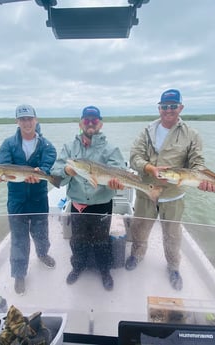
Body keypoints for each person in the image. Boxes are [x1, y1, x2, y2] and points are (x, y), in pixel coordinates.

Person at [125, 89, 215, 290]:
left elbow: (197, 162)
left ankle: (174, 267)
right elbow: (135, 157)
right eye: (164, 106)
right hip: (146, 191)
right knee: (139, 228)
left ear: (180, 108)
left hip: (173, 196)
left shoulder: (191, 135)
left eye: (173, 106)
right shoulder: (147, 131)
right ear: (159, 108)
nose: (168, 110)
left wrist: (204, 179)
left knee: (173, 235)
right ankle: (136, 255)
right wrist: (150, 168)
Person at [51, 105, 125, 291]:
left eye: (94, 120)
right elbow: (55, 173)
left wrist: (115, 183)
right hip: (77, 203)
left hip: (102, 203)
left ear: (100, 123)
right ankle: (78, 266)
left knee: (102, 240)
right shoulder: (69, 147)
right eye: (87, 120)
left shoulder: (110, 148)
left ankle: (104, 270)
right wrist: (67, 170)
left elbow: (120, 170)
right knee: (78, 239)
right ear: (80, 123)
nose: (90, 123)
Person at [0, 104, 57, 294]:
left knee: (41, 231)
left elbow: (49, 160)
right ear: (17, 122)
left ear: (36, 120)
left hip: (38, 197)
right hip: (17, 199)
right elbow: (3, 167)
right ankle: (19, 274)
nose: (27, 123)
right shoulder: (8, 144)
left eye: (30, 118)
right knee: (19, 238)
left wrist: (42, 172)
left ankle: (43, 253)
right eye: (22, 119)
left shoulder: (46, 145)